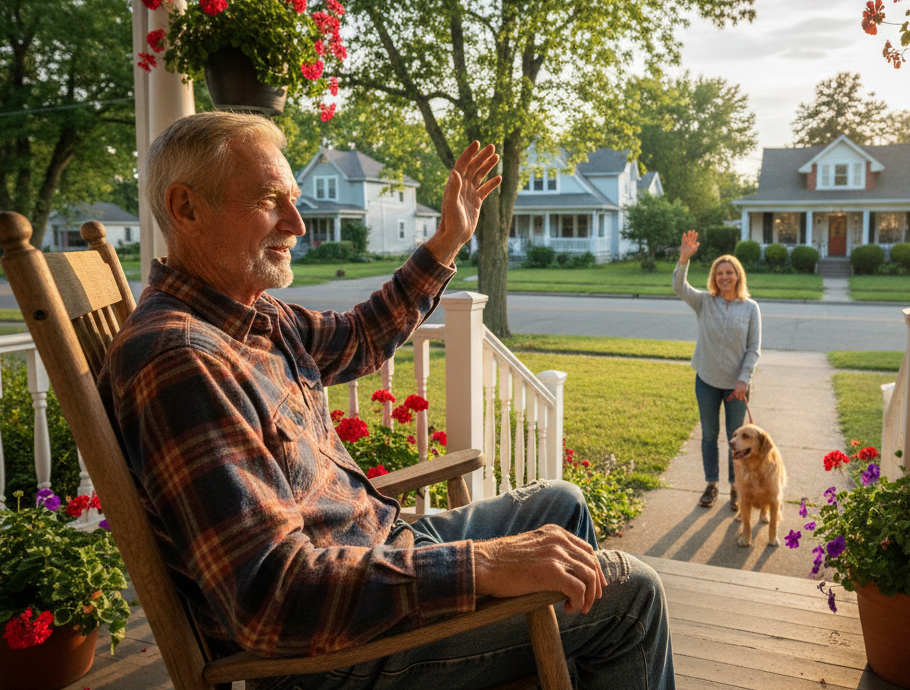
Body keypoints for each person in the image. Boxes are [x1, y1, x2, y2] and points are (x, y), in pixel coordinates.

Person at [97, 112, 673, 690]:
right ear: (186, 208)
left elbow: (360, 337)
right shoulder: (181, 360)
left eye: (294, 199)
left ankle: (559, 662)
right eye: (271, 200)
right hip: (334, 650)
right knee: (630, 596)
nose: (298, 223)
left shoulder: (251, 317)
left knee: (563, 505)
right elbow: (273, 596)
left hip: (375, 556)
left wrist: (448, 239)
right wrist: (489, 565)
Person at [672, 230, 761, 511]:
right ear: (714, 277)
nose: (724, 277)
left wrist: (743, 381)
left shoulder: (750, 308)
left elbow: (753, 349)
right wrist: (683, 259)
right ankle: (712, 485)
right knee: (709, 436)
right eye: (720, 272)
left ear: (738, 276)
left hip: (737, 387)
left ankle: (737, 488)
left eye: (729, 272)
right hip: (707, 381)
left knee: (737, 441)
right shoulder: (704, 302)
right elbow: (679, 287)